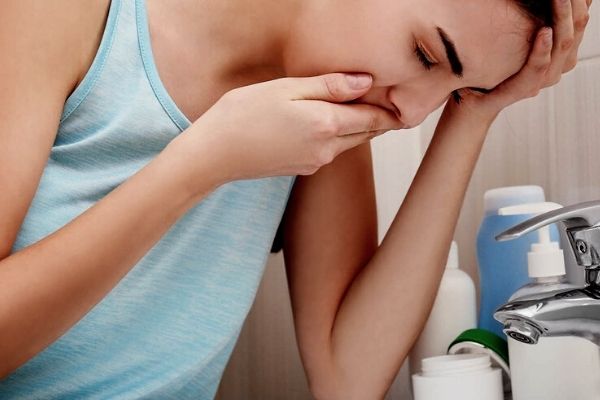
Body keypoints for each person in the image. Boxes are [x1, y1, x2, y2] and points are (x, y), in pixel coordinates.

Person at [0, 0, 592, 398]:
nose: (412, 114)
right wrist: (203, 162)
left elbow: (347, 377)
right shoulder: (64, 15)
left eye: (456, 87)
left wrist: (473, 115)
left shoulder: (326, 113)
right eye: (425, 55)